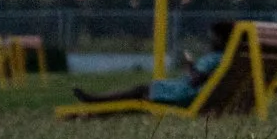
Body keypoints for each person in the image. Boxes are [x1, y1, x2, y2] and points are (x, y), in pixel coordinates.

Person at [72, 20, 235, 105]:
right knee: (140, 91)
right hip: (195, 95)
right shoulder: (228, 58)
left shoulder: (214, 58)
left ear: (221, 39)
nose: (210, 40)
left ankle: (96, 100)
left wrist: (189, 64)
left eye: (213, 37)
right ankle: (97, 101)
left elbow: (195, 80)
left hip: (183, 96)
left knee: (140, 90)